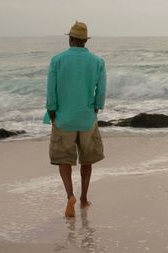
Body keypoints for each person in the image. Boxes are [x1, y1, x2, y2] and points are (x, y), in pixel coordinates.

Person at [44, 21, 106, 218]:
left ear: (70, 39)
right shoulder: (97, 62)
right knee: (87, 160)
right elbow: (101, 91)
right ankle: (84, 198)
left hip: (63, 118)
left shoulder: (57, 60)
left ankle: (70, 196)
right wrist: (96, 107)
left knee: (64, 160)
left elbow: (51, 90)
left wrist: (52, 110)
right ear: (85, 41)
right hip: (87, 118)